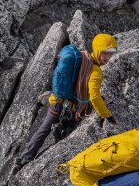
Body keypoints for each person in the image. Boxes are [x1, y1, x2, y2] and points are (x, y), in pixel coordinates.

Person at [16, 33, 119, 166]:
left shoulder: (82, 56)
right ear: (98, 50)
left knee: (44, 128)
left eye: (110, 54)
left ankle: (25, 157)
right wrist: (107, 115)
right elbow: (94, 96)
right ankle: (58, 136)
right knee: (63, 128)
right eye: (105, 53)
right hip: (70, 106)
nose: (108, 57)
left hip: (57, 100)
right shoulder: (96, 72)